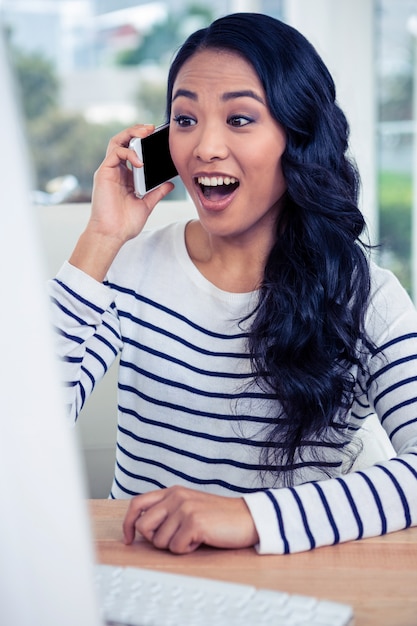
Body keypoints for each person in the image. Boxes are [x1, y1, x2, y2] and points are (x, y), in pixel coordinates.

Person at [49, 12, 417, 555]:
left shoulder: (367, 300)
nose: (204, 148)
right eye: (185, 119)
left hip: (289, 590)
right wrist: (102, 238)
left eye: (239, 120)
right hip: (140, 578)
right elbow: (23, 434)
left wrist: (248, 517)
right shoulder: (128, 268)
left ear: (298, 137)